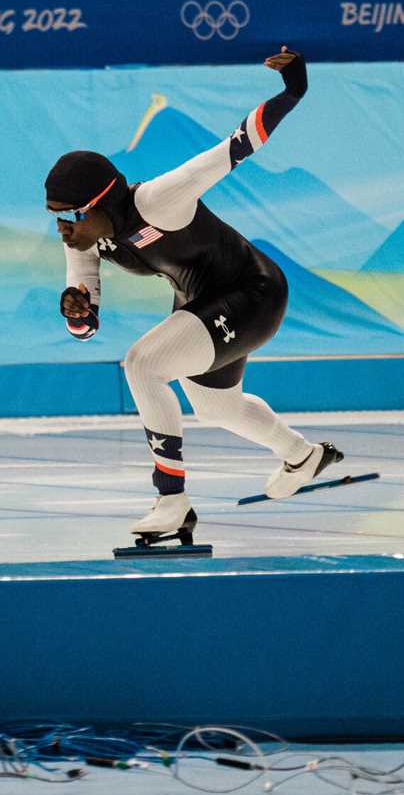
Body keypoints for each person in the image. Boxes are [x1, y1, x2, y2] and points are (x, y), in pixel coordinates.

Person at [44, 46, 342, 541]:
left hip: (255, 292)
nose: (62, 228)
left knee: (141, 364)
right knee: (217, 409)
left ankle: (171, 500)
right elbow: (85, 327)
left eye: (69, 214)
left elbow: (234, 147)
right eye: (54, 215)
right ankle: (304, 455)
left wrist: (293, 91)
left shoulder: (158, 200)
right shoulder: (84, 240)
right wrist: (76, 313)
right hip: (203, 302)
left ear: (100, 200)